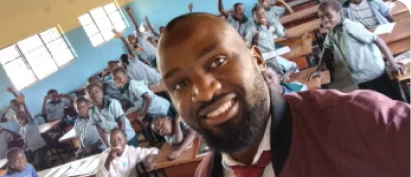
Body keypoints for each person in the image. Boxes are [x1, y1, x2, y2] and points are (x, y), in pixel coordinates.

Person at [157, 12, 411, 177]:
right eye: (180, 84)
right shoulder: (205, 173)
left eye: (217, 61)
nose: (203, 91)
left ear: (257, 59)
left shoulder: (359, 121)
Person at [310, 0, 405, 101]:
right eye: (321, 17)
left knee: (392, 102)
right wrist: (319, 69)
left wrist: (393, 63)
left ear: (340, 14)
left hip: (374, 73)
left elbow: (377, 39)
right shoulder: (332, 32)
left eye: (329, 16)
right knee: (375, 104)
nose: (325, 20)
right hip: (360, 76)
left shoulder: (350, 27)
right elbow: (327, 47)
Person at [246, 5, 301, 79]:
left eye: (263, 13)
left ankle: (282, 76)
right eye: (256, 15)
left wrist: (299, 37)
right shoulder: (252, 29)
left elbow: (284, 34)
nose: (261, 16)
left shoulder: (271, 26)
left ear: (266, 13)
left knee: (292, 67)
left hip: (274, 56)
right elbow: (247, 44)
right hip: (262, 59)